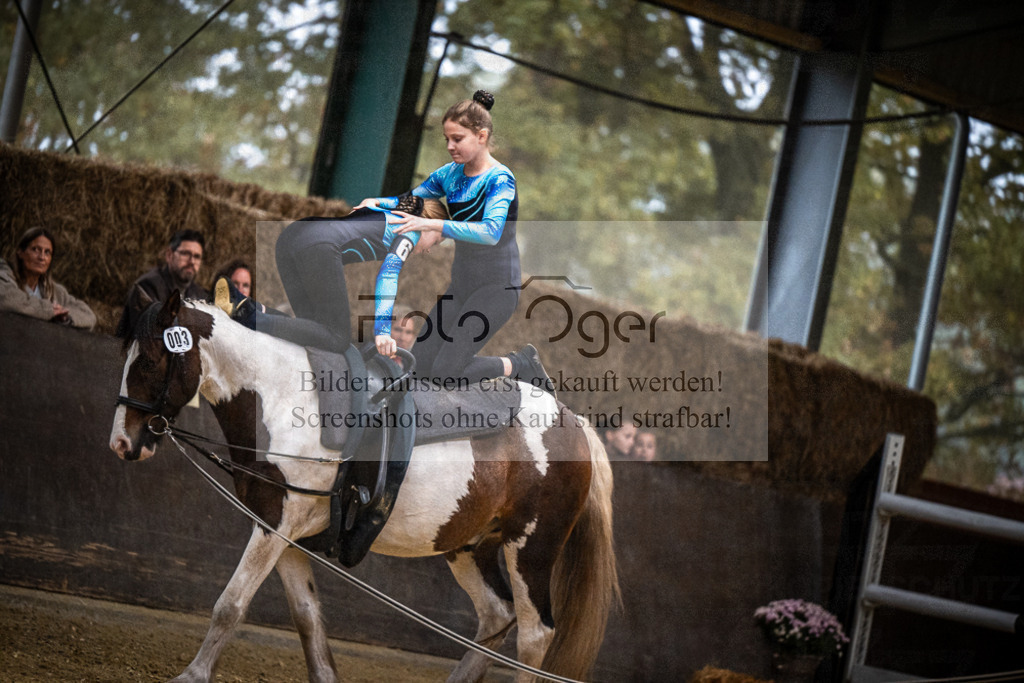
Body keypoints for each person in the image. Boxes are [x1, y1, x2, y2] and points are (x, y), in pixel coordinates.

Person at [226, 89, 550, 390]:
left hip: (496, 290)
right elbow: (410, 200)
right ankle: (251, 311)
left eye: (457, 139)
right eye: (446, 139)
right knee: (417, 368)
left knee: (444, 372)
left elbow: (491, 232)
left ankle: (519, 364)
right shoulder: (450, 174)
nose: (450, 146)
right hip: (461, 285)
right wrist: (377, 203)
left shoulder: (500, 180)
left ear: (482, 137)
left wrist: (432, 225)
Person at [116, 229, 210, 337]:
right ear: (169, 255)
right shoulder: (147, 288)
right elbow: (151, 337)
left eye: (197, 257)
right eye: (185, 253)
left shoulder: (201, 295)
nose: (192, 261)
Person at [0, 227, 96, 330]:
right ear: (20, 252)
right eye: (35, 249)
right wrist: (49, 310)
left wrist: (65, 318)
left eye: (47, 252)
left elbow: (88, 315)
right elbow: (7, 300)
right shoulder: (5, 278)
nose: (42, 257)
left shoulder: (55, 292)